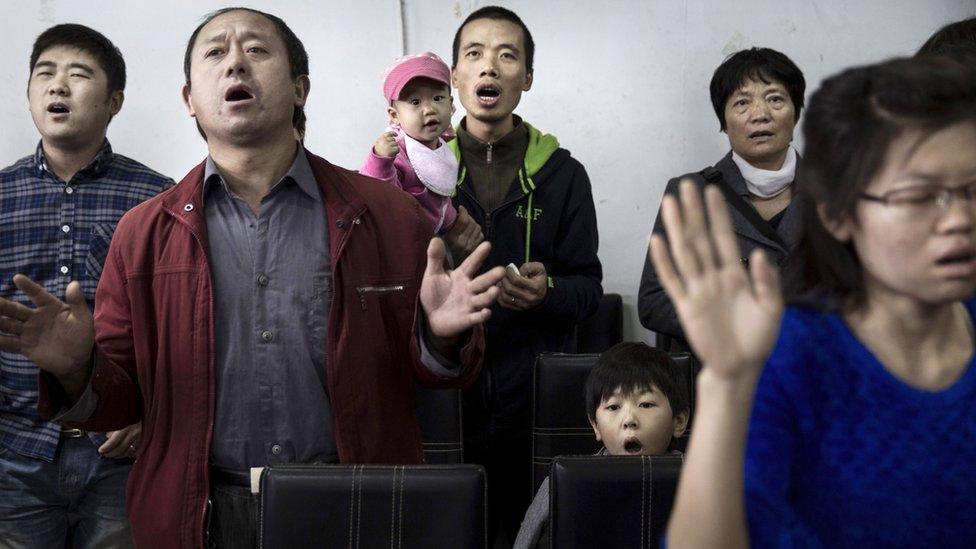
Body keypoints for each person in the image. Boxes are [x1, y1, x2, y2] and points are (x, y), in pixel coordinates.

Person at [0, 8, 506, 549]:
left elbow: (437, 374)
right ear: (190, 99)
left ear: (299, 89)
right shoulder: (142, 232)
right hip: (199, 516)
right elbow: (123, 403)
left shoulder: (388, 214)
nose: (235, 62)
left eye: (257, 50)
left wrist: (440, 336)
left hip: (354, 505)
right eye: (215, 54)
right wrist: (79, 369)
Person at [658, 56, 976, 547]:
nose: (958, 219)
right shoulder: (783, 360)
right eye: (918, 195)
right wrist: (727, 378)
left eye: (972, 190)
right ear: (839, 215)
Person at [0, 24, 173, 548]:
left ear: (114, 100)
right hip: (14, 453)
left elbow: (177, 325)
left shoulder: (157, 198)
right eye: (45, 75)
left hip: (120, 453)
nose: (58, 86)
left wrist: (150, 415)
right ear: (30, 94)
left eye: (78, 75)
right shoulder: (2, 195)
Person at [449, 6, 604, 541]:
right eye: (474, 54)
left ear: (527, 79)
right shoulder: (422, 172)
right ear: (455, 76)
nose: (488, 66)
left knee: (536, 533)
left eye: (506, 55)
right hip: (446, 391)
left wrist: (547, 292)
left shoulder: (564, 174)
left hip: (536, 393)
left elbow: (588, 288)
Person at [639, 47, 805, 355]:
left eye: (775, 99)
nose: (760, 114)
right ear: (724, 121)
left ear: (796, 111)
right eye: (742, 103)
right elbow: (654, 299)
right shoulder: (690, 193)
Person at [513, 342, 689, 549]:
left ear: (678, 421)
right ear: (595, 425)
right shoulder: (563, 483)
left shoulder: (700, 481)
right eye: (614, 406)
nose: (629, 419)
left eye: (646, 404)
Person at [360, 51, 484, 257]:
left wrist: (453, 223)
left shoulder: (441, 147)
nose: (429, 109)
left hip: (433, 239)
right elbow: (380, 195)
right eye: (415, 102)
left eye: (438, 98)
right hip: (398, 246)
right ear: (394, 115)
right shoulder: (395, 150)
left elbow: (438, 199)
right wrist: (380, 161)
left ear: (451, 105)